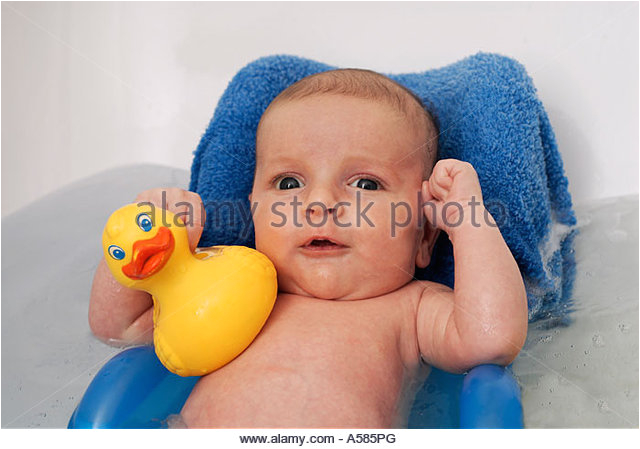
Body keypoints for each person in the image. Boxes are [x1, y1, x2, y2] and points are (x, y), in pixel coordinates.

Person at [88, 68, 528, 428]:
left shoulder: (411, 310)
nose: (318, 203)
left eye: (365, 184)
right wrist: (145, 233)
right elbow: (117, 327)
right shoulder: (226, 288)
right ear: (254, 211)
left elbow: (491, 339)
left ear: (424, 236)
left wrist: (470, 222)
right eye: (289, 183)